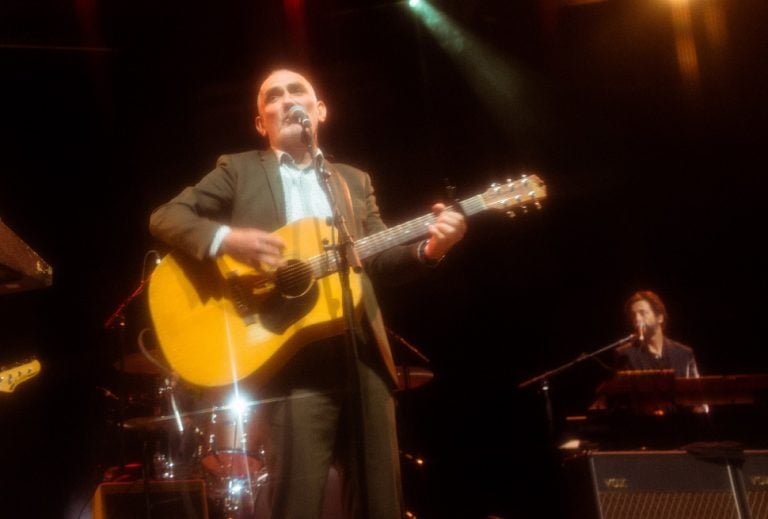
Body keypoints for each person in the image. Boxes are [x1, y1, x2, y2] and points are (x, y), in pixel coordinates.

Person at [149, 67, 466, 518]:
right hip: (288, 360)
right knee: (295, 505)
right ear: (262, 123)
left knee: (382, 503)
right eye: (272, 96)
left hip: (361, 355)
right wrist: (227, 238)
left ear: (319, 111)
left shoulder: (352, 181)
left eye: (297, 91)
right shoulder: (238, 170)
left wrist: (432, 248)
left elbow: (376, 258)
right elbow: (166, 217)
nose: (286, 99)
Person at [614, 290, 701, 378]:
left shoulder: (684, 354)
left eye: (642, 313)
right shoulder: (625, 355)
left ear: (659, 318)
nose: (637, 319)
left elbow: (697, 389)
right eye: (633, 315)